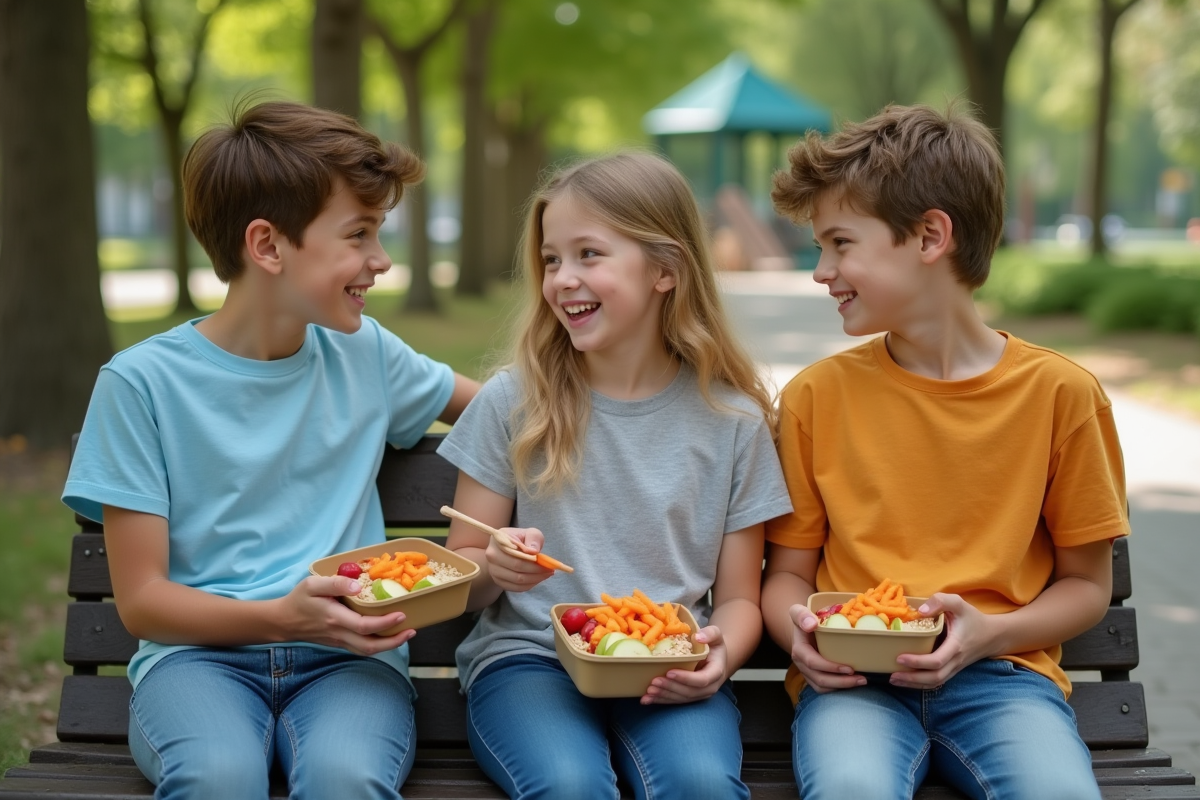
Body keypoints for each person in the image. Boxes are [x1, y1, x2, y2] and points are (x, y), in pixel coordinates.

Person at [62, 101, 479, 800]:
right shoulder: (140, 385)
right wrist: (282, 616)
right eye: (359, 235)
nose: (380, 261)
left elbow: (509, 412)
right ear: (269, 246)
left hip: (349, 663)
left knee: (346, 781)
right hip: (196, 664)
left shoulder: (364, 351)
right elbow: (143, 604)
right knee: (219, 780)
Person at [761, 103, 1129, 800]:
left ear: (930, 235)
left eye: (840, 243)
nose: (821, 271)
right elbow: (788, 576)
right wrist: (800, 636)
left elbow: (1087, 586)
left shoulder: (1062, 396)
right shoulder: (815, 398)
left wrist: (990, 634)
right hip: (852, 687)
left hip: (1002, 680)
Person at [436, 152, 793, 800]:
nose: (562, 279)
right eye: (551, 259)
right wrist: (494, 566)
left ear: (666, 269)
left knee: (700, 784)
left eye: (588, 255)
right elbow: (464, 569)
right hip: (530, 659)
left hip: (665, 659)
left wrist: (719, 658)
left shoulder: (732, 423)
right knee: (570, 786)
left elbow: (740, 598)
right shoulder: (515, 402)